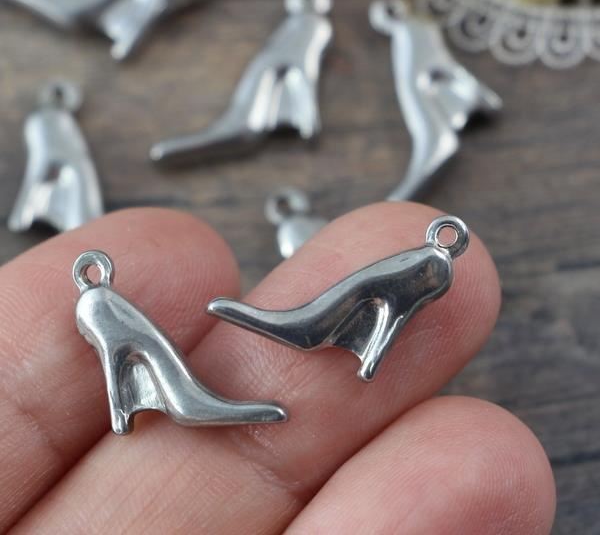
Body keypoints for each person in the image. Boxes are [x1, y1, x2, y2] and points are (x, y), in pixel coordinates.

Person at [0, 202, 555, 533]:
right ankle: (302, 340)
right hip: (117, 324)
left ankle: (155, 398)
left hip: (114, 323)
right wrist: (374, 354)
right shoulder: (430, 271)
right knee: (244, 358)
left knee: (232, 357)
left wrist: (373, 355)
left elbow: (116, 356)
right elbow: (391, 307)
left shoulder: (431, 271)